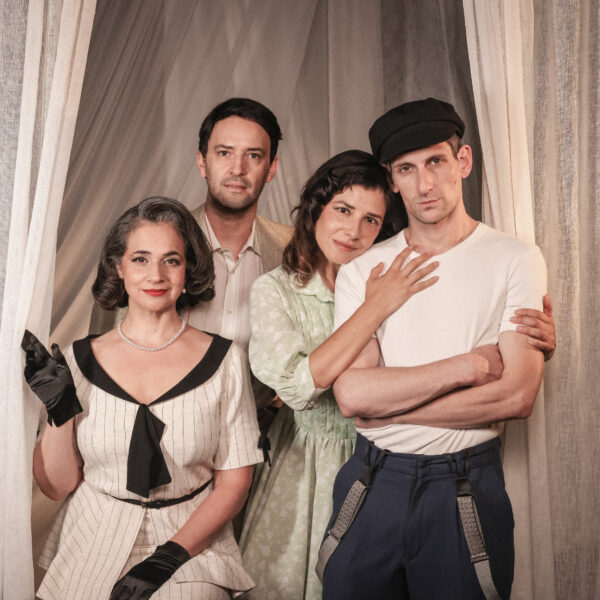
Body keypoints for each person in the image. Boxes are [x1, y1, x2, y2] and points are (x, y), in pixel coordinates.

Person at [237, 149, 553, 600]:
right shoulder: (295, 289)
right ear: (315, 211)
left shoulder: (391, 270)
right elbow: (303, 387)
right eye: (342, 211)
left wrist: (527, 349)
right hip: (315, 467)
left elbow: (499, 380)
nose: (353, 231)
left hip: (385, 455)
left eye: (370, 219)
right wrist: (466, 363)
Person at [319, 98, 552, 600]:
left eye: (436, 162)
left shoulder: (516, 259)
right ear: (392, 180)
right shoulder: (364, 270)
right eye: (407, 169)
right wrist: (468, 367)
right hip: (373, 479)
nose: (425, 184)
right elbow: (353, 395)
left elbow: (516, 397)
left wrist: (389, 410)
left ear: (462, 161)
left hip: (464, 484)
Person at [23, 197, 264, 600]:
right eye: (140, 259)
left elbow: (234, 482)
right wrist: (59, 411)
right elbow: (58, 486)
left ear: (188, 269)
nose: (156, 274)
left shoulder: (225, 361)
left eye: (171, 260)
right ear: (118, 267)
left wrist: (168, 558)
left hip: (190, 540)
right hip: (92, 532)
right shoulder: (77, 361)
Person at [90, 98, 292, 432]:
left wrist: (275, 409)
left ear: (271, 168)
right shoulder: (148, 246)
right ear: (202, 162)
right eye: (224, 153)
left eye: (254, 156)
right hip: (155, 433)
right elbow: (101, 348)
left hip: (259, 436)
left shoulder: (292, 251)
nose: (238, 169)